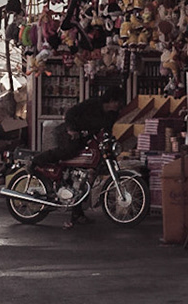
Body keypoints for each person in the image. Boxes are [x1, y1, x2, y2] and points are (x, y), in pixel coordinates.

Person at [32, 85, 125, 228]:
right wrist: (71, 130)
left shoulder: (113, 114)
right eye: (118, 101)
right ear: (111, 100)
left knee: (90, 172)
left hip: (87, 139)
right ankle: (36, 161)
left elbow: (107, 131)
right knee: (69, 151)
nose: (119, 105)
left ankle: (77, 212)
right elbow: (70, 113)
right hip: (70, 134)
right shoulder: (93, 104)